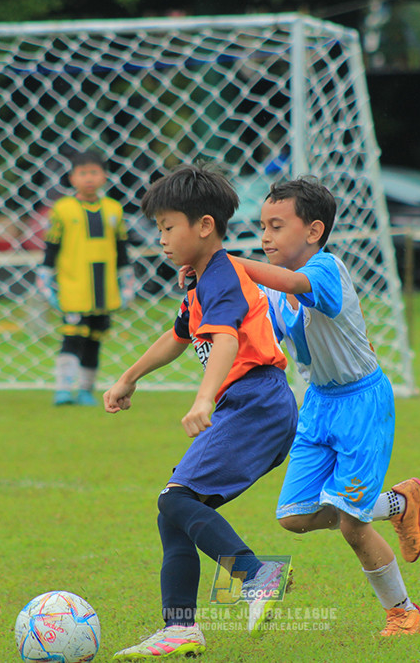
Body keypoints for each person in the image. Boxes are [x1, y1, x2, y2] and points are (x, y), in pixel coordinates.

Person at [104, 163, 298, 659]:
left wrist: (204, 398)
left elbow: (228, 338)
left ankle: (258, 576)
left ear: (204, 226)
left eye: (168, 227)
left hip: (255, 401)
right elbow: (178, 336)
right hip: (253, 404)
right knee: (174, 510)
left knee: (176, 501)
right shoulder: (197, 279)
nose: (162, 239)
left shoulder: (223, 276)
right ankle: (180, 628)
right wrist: (129, 377)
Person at [230, 177, 420, 637]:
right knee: (293, 516)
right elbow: (258, 334)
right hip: (318, 404)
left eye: (277, 227)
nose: (265, 237)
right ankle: (397, 502)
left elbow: (291, 281)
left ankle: (404, 612)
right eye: (262, 226)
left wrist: (230, 263)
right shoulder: (272, 291)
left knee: (353, 529)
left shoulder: (325, 269)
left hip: (361, 403)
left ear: (314, 231)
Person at [36, 150, 134, 406]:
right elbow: (52, 247)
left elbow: (122, 249)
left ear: (103, 177)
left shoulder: (114, 209)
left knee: (94, 340)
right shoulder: (62, 209)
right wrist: (45, 279)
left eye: (93, 172)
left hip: (104, 290)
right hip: (74, 288)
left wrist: (127, 283)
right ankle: (63, 389)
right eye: (82, 173)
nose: (88, 178)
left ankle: (86, 390)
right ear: (72, 178)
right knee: (72, 337)